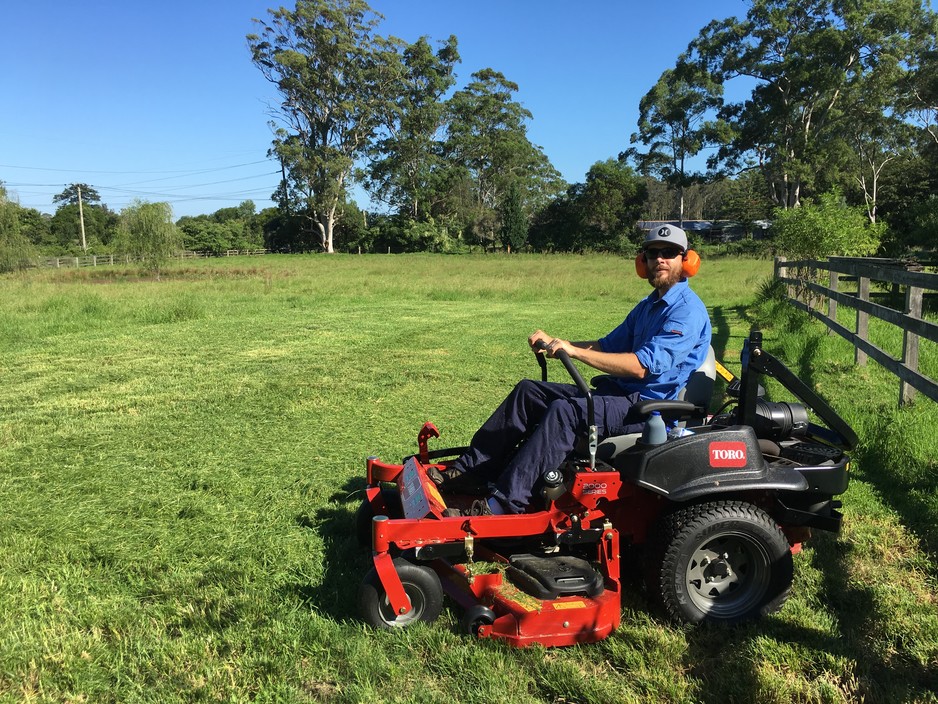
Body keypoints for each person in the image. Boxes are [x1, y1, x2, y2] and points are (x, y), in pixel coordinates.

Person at [434, 224, 712, 516]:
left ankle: (501, 506)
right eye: (653, 253)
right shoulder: (648, 307)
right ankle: (471, 471)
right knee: (528, 392)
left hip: (647, 408)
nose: (659, 259)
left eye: (669, 253)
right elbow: (606, 345)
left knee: (565, 413)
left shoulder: (687, 311)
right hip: (619, 395)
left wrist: (574, 351)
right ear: (643, 261)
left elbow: (642, 367)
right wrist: (559, 344)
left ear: (686, 260)